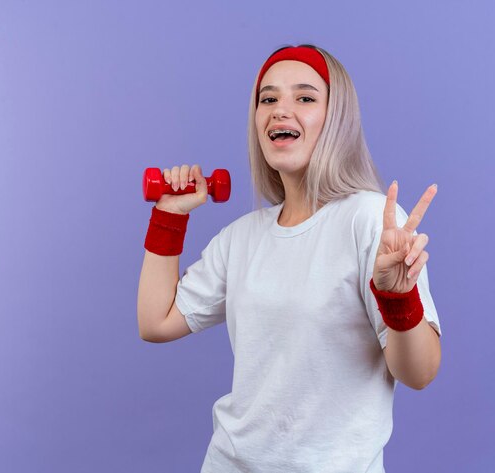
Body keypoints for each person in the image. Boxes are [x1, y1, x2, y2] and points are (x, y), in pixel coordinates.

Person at [137, 44, 442, 473]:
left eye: (305, 97)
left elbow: (420, 373)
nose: (281, 110)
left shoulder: (370, 219)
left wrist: (398, 299)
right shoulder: (242, 238)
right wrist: (168, 216)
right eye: (268, 98)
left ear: (336, 119)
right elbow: (156, 322)